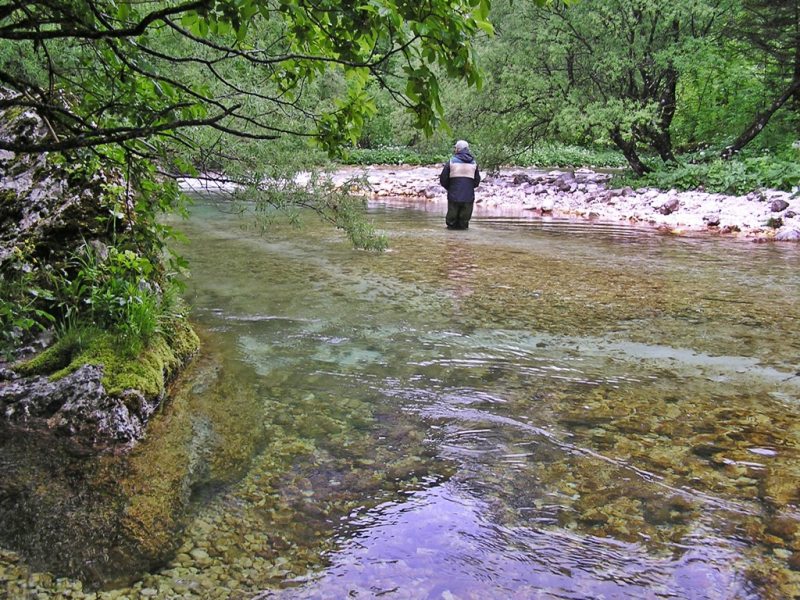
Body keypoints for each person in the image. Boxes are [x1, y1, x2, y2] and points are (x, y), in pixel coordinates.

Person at [439, 140, 481, 230]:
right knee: (464, 224)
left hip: (454, 196)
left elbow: (443, 179)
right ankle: (464, 242)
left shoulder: (451, 162)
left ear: (457, 149)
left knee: (451, 224)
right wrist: (468, 187)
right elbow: (477, 181)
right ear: (467, 149)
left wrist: (450, 188)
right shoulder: (474, 163)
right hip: (468, 197)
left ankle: (451, 241)